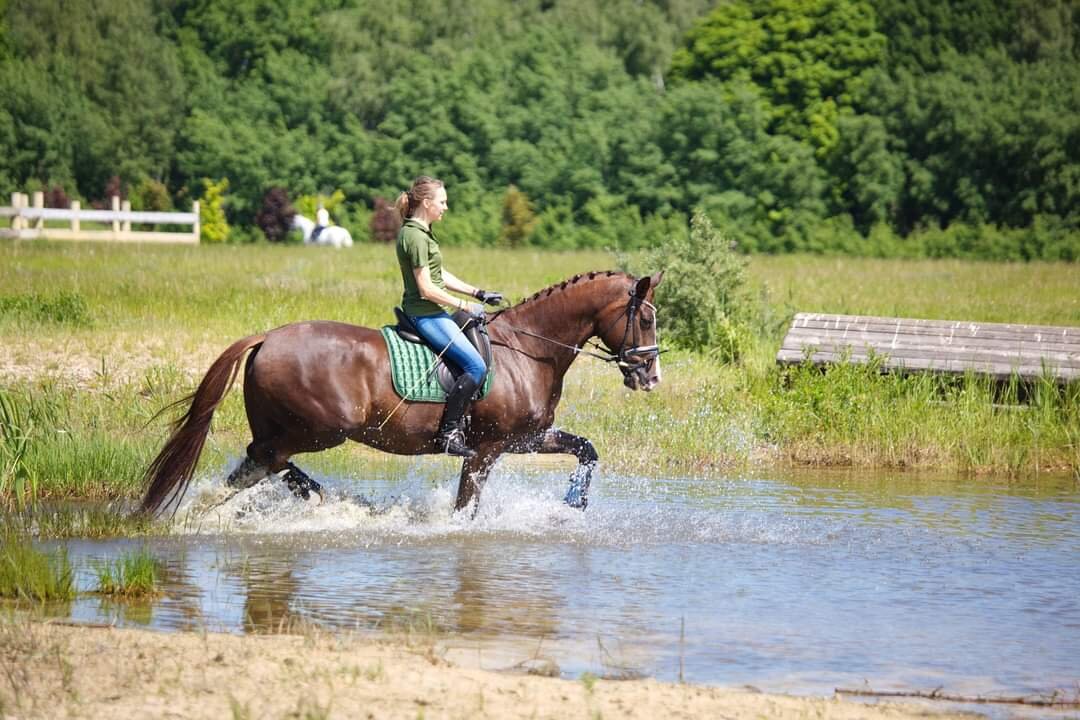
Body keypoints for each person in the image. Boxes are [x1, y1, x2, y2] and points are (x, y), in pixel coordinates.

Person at [395, 176, 504, 458]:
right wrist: (463, 305)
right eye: (442, 202)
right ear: (427, 203)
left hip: (434, 311)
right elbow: (426, 288)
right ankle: (448, 433)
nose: (446, 207)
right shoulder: (415, 236)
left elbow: (438, 274)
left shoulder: (422, 232)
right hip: (426, 314)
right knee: (476, 368)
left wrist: (478, 292)